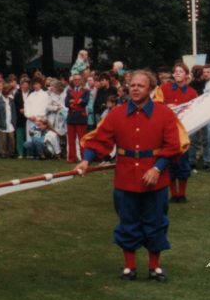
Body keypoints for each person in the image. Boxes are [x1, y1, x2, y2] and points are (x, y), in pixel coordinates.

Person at [75, 70, 185, 283]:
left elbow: (173, 146)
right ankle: (130, 267)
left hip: (156, 179)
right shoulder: (117, 114)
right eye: (132, 85)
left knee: (156, 222)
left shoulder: (164, 114)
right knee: (128, 221)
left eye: (140, 86)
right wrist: (87, 160)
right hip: (125, 178)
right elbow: (100, 140)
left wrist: (157, 168)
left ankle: (155, 267)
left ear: (151, 89)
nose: (134, 88)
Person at [154, 64, 197, 203]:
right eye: (175, 72)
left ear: (186, 75)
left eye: (180, 71)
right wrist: (166, 107)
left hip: (184, 130)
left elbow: (195, 109)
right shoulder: (165, 88)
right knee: (170, 161)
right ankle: (173, 194)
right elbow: (156, 103)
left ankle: (182, 194)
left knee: (183, 161)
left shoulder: (192, 92)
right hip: (168, 130)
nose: (177, 74)